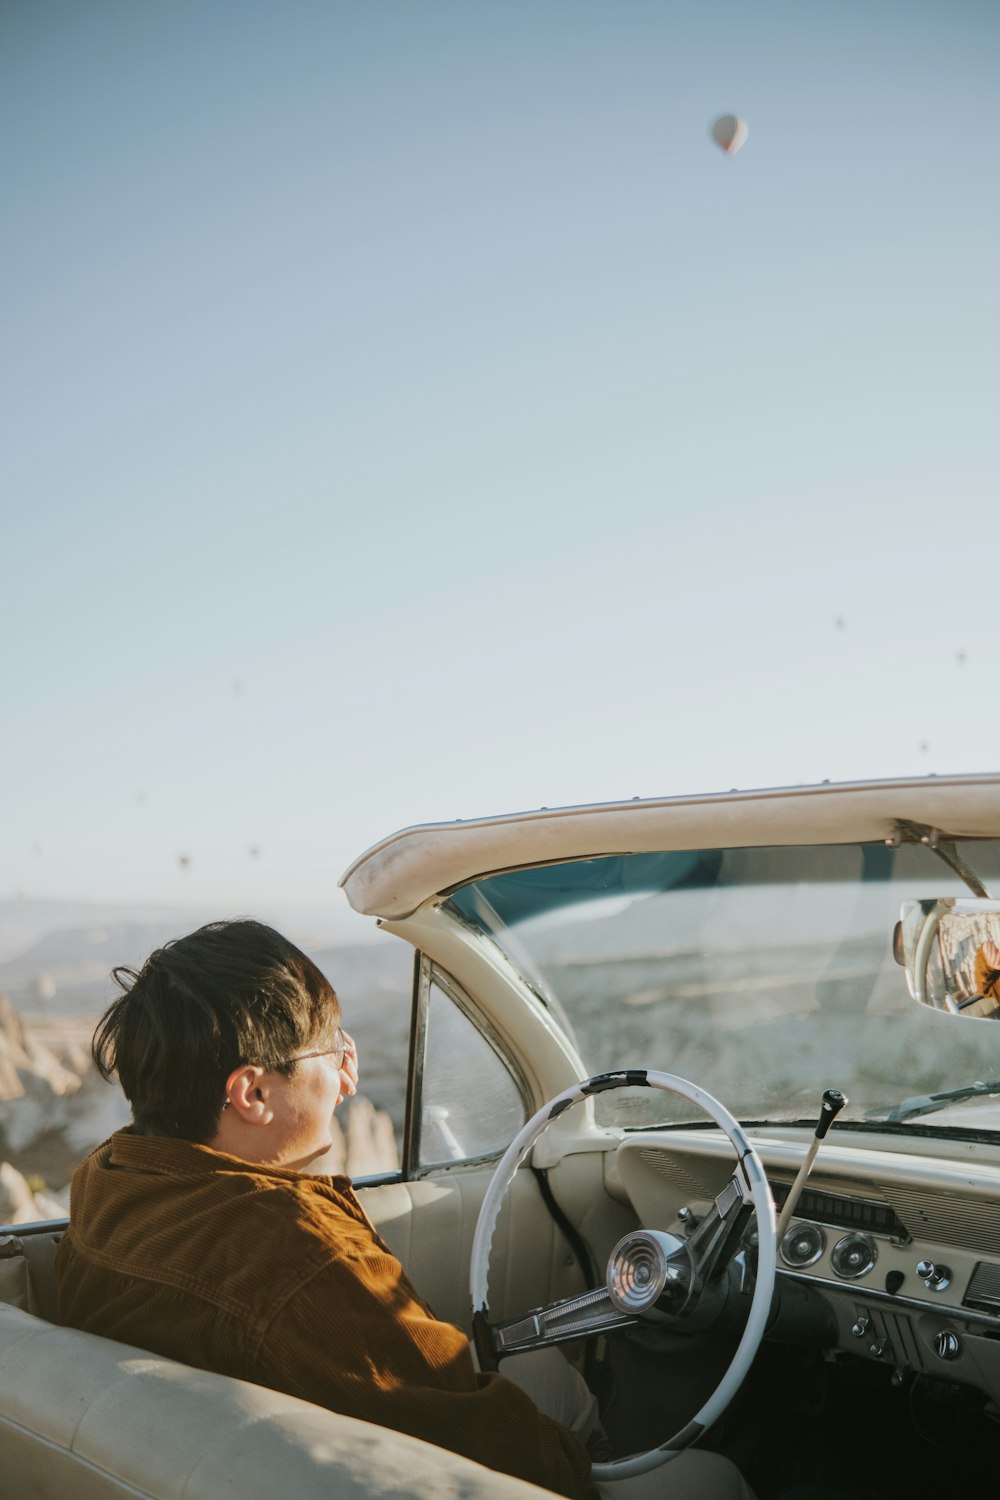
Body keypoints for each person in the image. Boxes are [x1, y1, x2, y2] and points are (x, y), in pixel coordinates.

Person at [55, 919, 754, 1500]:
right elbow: (485, 1441)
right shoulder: (291, 1248)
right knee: (713, 1477)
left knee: (544, 1378)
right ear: (253, 1095)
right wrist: (574, 1471)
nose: (348, 1074)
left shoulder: (109, 1175)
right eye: (332, 1052)